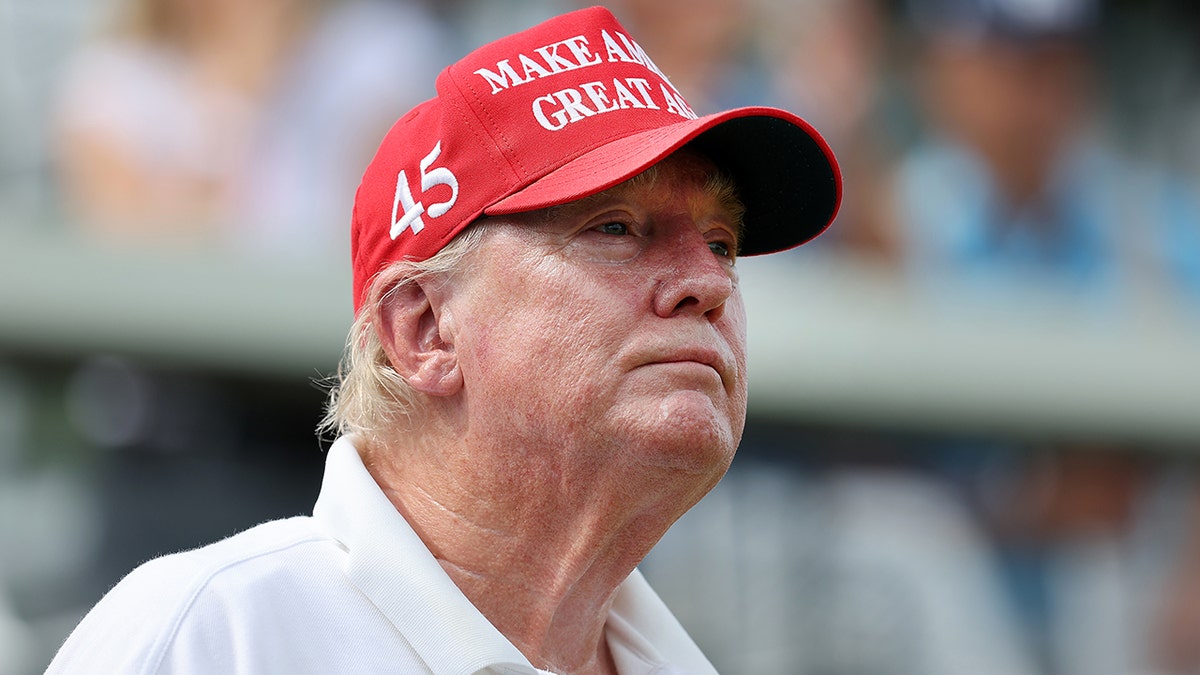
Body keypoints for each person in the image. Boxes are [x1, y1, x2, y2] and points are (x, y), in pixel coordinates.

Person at [46, 6, 840, 674]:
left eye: (722, 242)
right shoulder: (209, 639)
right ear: (423, 329)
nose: (706, 282)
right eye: (616, 227)